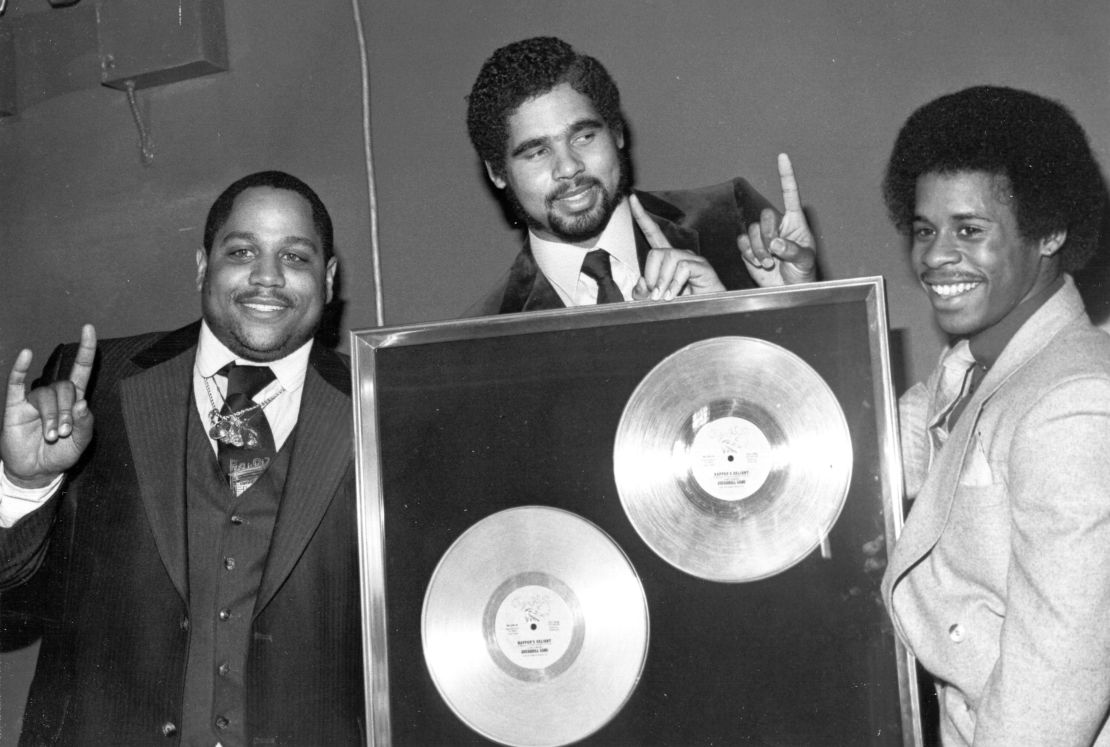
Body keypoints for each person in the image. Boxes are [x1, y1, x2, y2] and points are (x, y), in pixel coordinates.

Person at [0, 171, 364, 745]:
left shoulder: (377, 406)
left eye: (294, 256)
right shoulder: (92, 386)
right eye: (242, 251)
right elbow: (8, 610)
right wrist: (24, 485)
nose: (266, 277)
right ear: (202, 266)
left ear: (329, 278)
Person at [879, 86, 1110, 745]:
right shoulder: (967, 372)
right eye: (925, 230)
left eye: (969, 230)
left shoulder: (1077, 399)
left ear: (1050, 231)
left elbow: (1054, 685)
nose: (934, 256)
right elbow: (856, 460)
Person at [464, 36, 817, 315]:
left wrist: (798, 302)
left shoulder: (733, 220)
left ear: (617, 132)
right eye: (537, 152)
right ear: (497, 173)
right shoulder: (484, 340)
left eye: (584, 137)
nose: (569, 167)